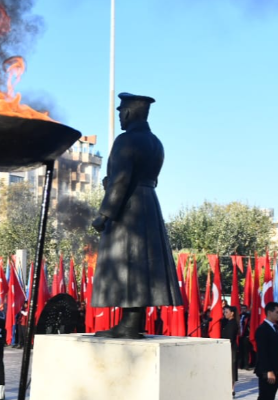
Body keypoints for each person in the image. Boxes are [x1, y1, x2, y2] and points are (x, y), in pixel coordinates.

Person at [90, 92, 181, 338]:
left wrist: (104, 214)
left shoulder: (125, 140)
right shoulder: (156, 143)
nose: (119, 116)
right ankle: (131, 322)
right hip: (149, 202)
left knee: (127, 264)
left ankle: (129, 325)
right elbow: (150, 177)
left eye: (121, 111)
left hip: (128, 208)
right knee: (141, 266)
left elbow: (121, 180)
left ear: (129, 112)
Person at [254, 302, 278, 400]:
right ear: (269, 312)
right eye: (277, 312)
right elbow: (262, 352)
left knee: (271, 396)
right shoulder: (262, 329)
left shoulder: (275, 328)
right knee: (265, 397)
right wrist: (268, 371)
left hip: (276, 369)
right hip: (267, 371)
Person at [220, 305, 239, 391]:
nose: (224, 313)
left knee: (232, 367)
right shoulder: (226, 322)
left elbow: (230, 337)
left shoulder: (233, 323)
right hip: (226, 347)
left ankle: (232, 389)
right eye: (224, 312)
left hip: (231, 348)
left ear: (232, 313)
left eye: (226, 312)